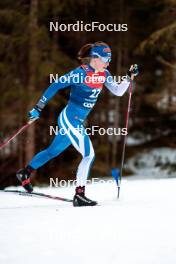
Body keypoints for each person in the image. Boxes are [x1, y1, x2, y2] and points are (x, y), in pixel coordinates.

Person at [16, 41, 139, 207]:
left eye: (109, 59)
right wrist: (38, 107)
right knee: (89, 155)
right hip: (69, 118)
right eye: (105, 59)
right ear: (95, 58)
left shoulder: (104, 74)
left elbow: (118, 91)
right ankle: (79, 195)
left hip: (76, 121)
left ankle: (26, 172)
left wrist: (127, 77)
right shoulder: (79, 73)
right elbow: (55, 85)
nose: (108, 62)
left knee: (53, 151)